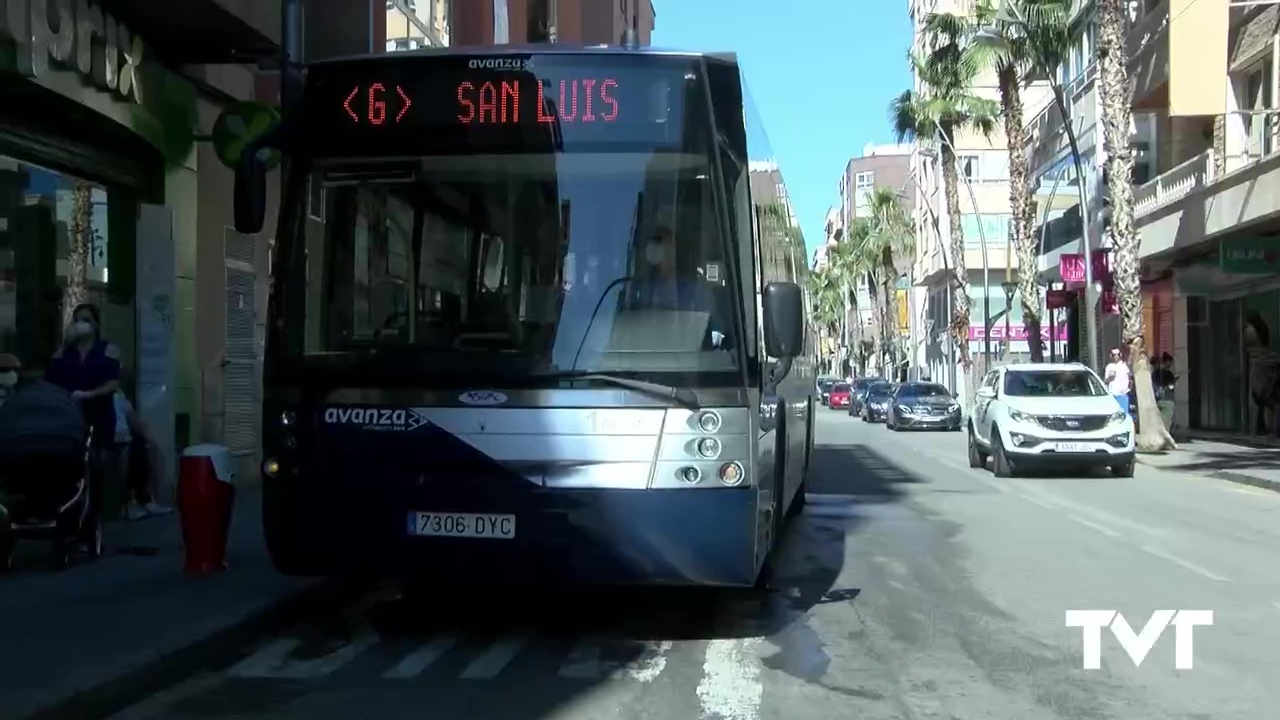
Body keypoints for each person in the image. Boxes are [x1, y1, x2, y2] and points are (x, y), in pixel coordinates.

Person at [46, 304, 122, 502]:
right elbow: (51, 381)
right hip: (69, 414)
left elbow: (113, 382)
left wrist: (90, 394)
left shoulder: (107, 350)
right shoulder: (64, 353)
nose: (81, 324)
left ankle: (102, 504)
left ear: (95, 325)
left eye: (86, 320)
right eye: (77, 319)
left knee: (100, 458)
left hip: (99, 412)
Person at [629, 227, 724, 348]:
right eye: (654, 241)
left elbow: (716, 332)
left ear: (673, 250)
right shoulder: (639, 290)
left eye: (661, 242)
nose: (656, 248)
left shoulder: (696, 291)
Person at [113, 390, 173, 520]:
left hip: (125, 437)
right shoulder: (95, 397)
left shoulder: (119, 397)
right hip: (108, 439)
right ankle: (130, 503)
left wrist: (148, 438)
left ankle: (147, 499)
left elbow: (133, 420)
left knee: (146, 448)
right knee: (127, 454)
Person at [1104, 347, 1132, 416]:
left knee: (1124, 415)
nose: (1116, 356)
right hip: (1112, 395)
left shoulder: (1124, 365)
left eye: (1118, 354)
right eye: (1114, 355)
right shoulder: (1109, 366)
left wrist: (1129, 388)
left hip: (1123, 394)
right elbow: (1105, 381)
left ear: (1120, 355)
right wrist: (1110, 378)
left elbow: (1130, 377)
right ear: (1111, 356)